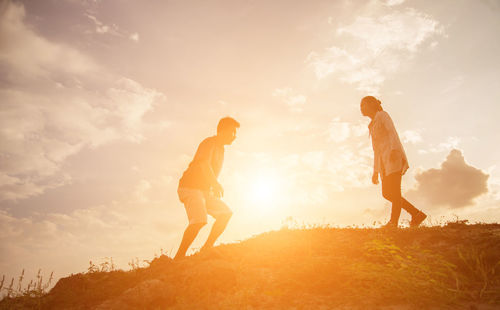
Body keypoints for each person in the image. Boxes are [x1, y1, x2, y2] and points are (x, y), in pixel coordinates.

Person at [174, 117, 240, 259]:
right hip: (190, 187)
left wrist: (212, 188)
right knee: (199, 220)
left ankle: (206, 248)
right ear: (222, 130)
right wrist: (215, 184)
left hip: (204, 191)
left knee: (225, 213)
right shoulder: (209, 143)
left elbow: (211, 171)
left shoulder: (221, 150)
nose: (235, 136)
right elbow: (204, 164)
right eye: (232, 132)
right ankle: (179, 257)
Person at [360, 96, 427, 228]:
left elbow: (392, 132)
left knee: (395, 192)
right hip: (383, 163)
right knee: (386, 193)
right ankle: (416, 214)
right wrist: (375, 171)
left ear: (370, 104)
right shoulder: (372, 125)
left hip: (393, 157)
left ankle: (393, 223)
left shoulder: (382, 115)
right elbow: (376, 150)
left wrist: (394, 150)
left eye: (363, 105)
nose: (361, 108)